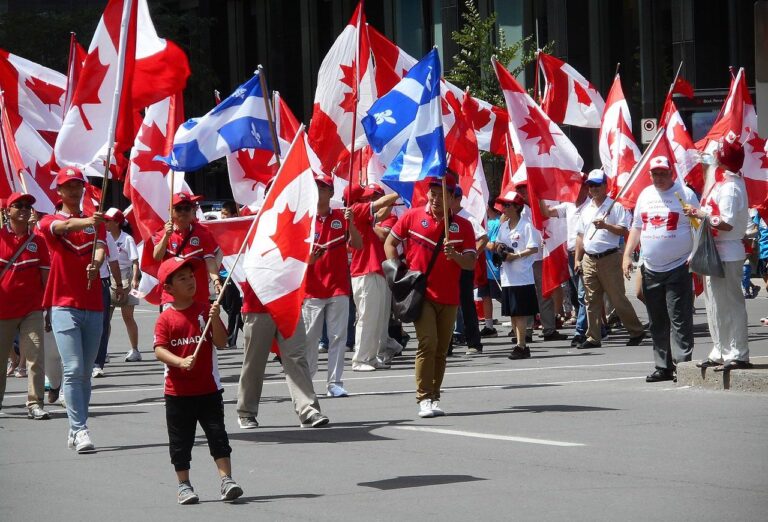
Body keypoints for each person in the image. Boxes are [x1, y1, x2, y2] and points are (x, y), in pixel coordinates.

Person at [384, 176, 476, 418]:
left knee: (441, 349)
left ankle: (435, 396)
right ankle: (423, 397)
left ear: (452, 198)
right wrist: (398, 269)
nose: (436, 199)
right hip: (421, 293)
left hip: (450, 296)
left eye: (442, 194)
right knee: (428, 343)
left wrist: (454, 255)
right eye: (433, 193)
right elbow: (390, 242)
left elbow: (470, 263)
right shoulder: (411, 216)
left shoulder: (463, 226)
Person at [153, 257, 243, 504]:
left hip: (209, 389)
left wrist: (214, 317)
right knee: (181, 442)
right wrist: (179, 361)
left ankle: (227, 480)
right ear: (169, 288)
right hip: (177, 393)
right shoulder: (166, 318)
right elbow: (159, 349)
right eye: (182, 278)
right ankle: (184, 485)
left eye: (191, 276)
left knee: (218, 435)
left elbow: (222, 342)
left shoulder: (205, 309)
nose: (190, 281)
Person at [37, 167, 109, 453]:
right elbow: (63, 229)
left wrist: (97, 262)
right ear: (59, 191)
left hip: (93, 304)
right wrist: (89, 220)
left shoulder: (95, 221)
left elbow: (101, 247)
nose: (74, 190)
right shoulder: (49, 220)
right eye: (68, 186)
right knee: (74, 367)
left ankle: (74, 427)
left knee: (86, 372)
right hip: (63, 303)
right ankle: (80, 430)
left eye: (78, 185)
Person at [622, 157, 698, 382]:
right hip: (651, 267)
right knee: (657, 319)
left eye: (663, 173)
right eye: (655, 174)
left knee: (679, 317)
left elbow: (697, 226)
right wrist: (627, 255)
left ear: (671, 173)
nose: (659, 178)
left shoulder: (685, 194)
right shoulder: (645, 195)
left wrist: (696, 256)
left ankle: (683, 366)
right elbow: (637, 227)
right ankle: (663, 366)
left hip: (679, 265)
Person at [685, 139, 751, 370]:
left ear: (722, 158)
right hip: (714, 250)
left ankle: (738, 352)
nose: (712, 157)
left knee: (730, 303)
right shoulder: (722, 183)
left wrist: (700, 213)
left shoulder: (731, 187)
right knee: (713, 303)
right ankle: (720, 349)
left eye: (716, 154)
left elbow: (727, 224)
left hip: (728, 251)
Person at [236, 280, 330, 429]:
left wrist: (311, 259)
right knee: (254, 362)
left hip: (289, 305)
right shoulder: (249, 254)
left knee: (297, 358)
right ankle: (246, 412)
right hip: (257, 306)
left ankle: (308, 410)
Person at [302, 173, 362, 397]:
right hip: (312, 289)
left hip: (338, 287)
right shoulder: (303, 219)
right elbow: (295, 256)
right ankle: (307, 383)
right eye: (315, 187)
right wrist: (308, 259)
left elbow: (357, 244)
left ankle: (335, 383)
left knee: (338, 337)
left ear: (331, 192)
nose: (319, 191)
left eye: (323, 187)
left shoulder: (341, 217)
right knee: (311, 339)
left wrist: (352, 224)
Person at [574, 169, 646, 349]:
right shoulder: (586, 209)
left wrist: (606, 225)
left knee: (616, 298)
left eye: (597, 185)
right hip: (589, 258)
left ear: (605, 186)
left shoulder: (615, 206)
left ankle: (636, 331)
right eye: (591, 185)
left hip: (609, 257)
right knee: (591, 300)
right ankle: (593, 337)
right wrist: (577, 259)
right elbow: (580, 236)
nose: (594, 188)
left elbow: (624, 230)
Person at [0, 193, 50, 419]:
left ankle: (35, 403)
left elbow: (45, 278)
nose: (24, 209)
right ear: (7, 211)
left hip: (32, 309)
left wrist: (47, 307)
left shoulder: (38, 241)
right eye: (18, 205)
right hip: (3, 310)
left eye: (28, 205)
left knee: (35, 357)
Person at [347, 183, 400, 371]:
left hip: (374, 270)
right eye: (366, 197)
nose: (370, 199)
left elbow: (383, 212)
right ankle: (360, 359)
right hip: (365, 272)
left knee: (377, 319)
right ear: (358, 200)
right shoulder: (355, 209)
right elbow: (382, 204)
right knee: (367, 318)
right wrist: (400, 190)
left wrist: (392, 201)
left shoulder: (361, 214)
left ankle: (371, 357)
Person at [515, 181, 567, 341]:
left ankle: (549, 328)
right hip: (525, 258)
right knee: (526, 294)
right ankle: (527, 330)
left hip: (542, 255)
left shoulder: (542, 205)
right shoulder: (518, 210)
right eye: (521, 192)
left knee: (545, 293)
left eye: (525, 191)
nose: (523, 195)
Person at [152, 192, 222, 307]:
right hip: (172, 296)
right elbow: (157, 256)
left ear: (192, 210)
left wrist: (216, 281)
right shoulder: (162, 234)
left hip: (198, 294)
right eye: (179, 208)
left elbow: (210, 260)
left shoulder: (203, 233)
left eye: (187, 208)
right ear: (171, 211)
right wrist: (166, 237)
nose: (183, 212)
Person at [492, 191, 539, 359]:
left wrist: (516, 255)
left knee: (519, 313)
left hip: (521, 276)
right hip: (507, 276)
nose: (504, 208)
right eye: (503, 205)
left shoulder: (526, 225)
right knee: (513, 313)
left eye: (507, 205)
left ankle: (522, 345)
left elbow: (534, 247)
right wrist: (500, 250)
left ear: (517, 207)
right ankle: (519, 342)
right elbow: (498, 243)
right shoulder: (504, 226)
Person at [450, 186, 488, 355]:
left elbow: (484, 237)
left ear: (458, 199)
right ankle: (447, 344)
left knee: (467, 305)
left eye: (453, 197)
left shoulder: (468, 218)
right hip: (447, 269)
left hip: (464, 268)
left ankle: (474, 342)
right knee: (446, 306)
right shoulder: (444, 217)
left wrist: (472, 255)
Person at [103, 208, 141, 362]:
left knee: (128, 317)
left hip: (127, 277)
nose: (105, 223)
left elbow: (135, 260)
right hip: (109, 276)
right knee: (106, 318)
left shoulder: (127, 239)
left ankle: (135, 350)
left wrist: (135, 279)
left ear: (117, 223)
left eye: (108, 220)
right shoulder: (104, 237)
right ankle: (103, 352)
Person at [92, 219, 124, 377]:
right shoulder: (68, 230)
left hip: (101, 283)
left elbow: (113, 262)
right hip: (76, 284)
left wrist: (118, 284)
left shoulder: (106, 236)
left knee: (102, 324)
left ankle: (98, 362)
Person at [219, 201, 243, 349]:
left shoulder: (237, 232)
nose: (222, 216)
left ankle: (231, 339)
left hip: (234, 274)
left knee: (233, 308)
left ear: (234, 215)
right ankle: (245, 328)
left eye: (225, 214)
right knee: (225, 305)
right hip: (222, 273)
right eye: (221, 213)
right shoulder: (220, 230)